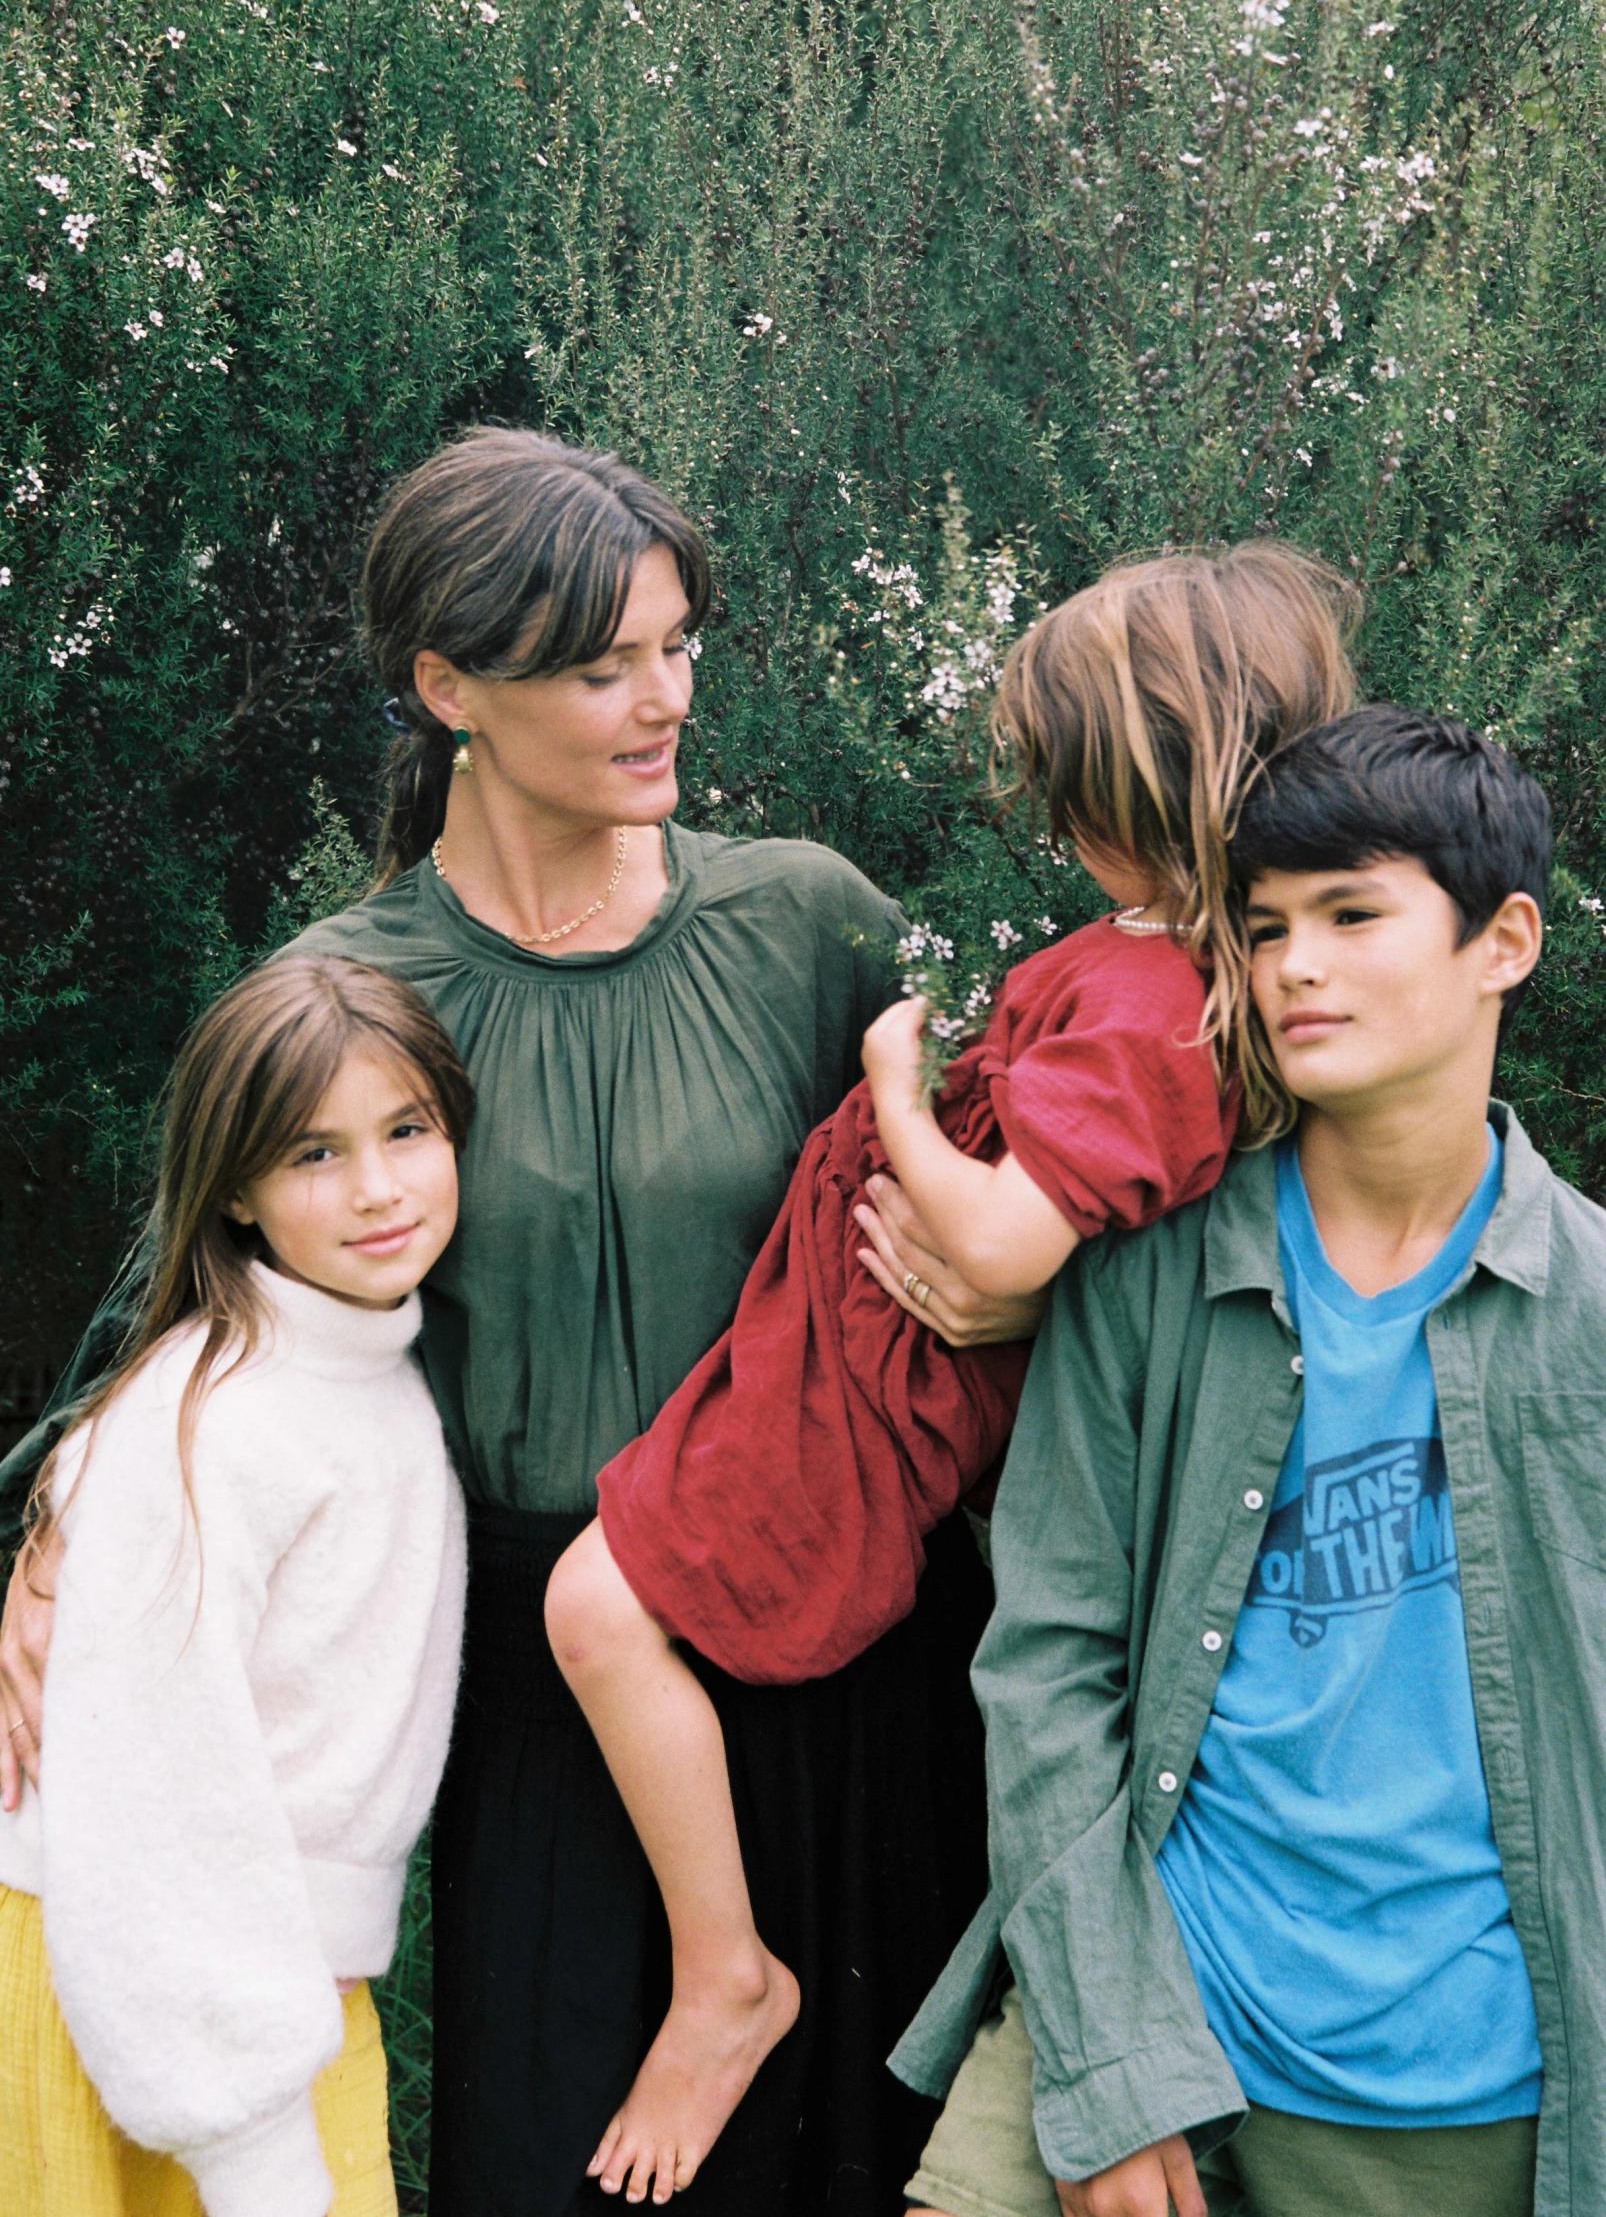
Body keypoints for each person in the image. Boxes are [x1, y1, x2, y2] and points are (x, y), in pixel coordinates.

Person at [0, 428, 1038, 2217]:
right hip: (546, 1701)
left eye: (675, 643)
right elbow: (175, 1321)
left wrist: (997, 1274)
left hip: (850, 1647)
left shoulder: (810, 924)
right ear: (445, 687)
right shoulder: (345, 996)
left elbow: (1038, 1177)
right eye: (596, 663)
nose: (662, 699)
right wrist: (53, 1527)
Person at [543, 542, 1358, 2204]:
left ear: (1138, 790)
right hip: (840, 1351)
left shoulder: (1154, 1008)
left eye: (1066, 792)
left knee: (591, 1610)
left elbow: (997, 1252)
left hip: (867, 1386)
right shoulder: (1152, 967)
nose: (1049, 824)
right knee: (602, 1605)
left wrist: (899, 1091)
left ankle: (727, 1977)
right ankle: (728, 1970)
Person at [893, 705, 1600, 2217]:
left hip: (1452, 2076)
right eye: (1263, 926)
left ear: (1506, 940)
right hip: (1147, 1995)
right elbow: (1046, 1666)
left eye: (1351, 915)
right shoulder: (1147, 1273)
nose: (1292, 966)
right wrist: (1108, 2056)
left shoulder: (1590, 1313)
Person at [0, 954, 472, 2217]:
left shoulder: (359, 1372)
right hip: (151, 1996)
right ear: (239, 1195)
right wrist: (256, 2151)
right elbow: (159, 1793)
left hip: (267, 1993)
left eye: (406, 1130)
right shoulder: (216, 1417)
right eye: (313, 1154)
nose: (377, 1189)